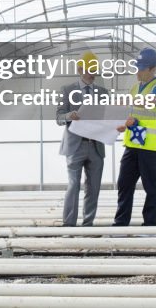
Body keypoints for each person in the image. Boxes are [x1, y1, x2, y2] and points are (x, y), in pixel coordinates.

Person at [114, 47, 156, 226]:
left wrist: (127, 101)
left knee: (150, 187)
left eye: (142, 68)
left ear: (152, 69)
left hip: (150, 147)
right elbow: (133, 113)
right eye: (137, 67)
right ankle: (121, 222)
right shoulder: (135, 87)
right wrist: (124, 125)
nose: (137, 71)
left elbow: (152, 101)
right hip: (133, 144)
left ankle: (149, 225)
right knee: (124, 183)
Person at [55, 51, 109, 227]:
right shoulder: (67, 90)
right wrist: (70, 115)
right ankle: (69, 225)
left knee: (93, 188)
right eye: (89, 69)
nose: (93, 73)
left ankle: (88, 225)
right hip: (75, 146)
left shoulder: (103, 92)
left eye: (95, 70)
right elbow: (58, 117)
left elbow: (108, 117)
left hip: (96, 146)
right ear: (80, 69)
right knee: (73, 186)